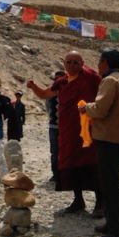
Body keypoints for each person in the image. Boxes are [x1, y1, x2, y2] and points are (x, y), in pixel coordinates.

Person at [27, 51, 103, 216]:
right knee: (71, 163)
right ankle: (78, 199)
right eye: (69, 62)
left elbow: (103, 95)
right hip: (68, 130)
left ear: (82, 63)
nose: (72, 65)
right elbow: (45, 94)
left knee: (91, 163)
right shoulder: (62, 82)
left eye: (76, 62)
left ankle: (100, 202)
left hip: (86, 130)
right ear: (64, 64)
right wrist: (33, 87)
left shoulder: (92, 77)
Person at [80, 48, 119, 237]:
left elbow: (101, 109)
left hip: (109, 139)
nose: (98, 65)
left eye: (100, 61)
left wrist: (85, 107)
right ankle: (112, 223)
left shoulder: (110, 81)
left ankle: (118, 229)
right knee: (111, 183)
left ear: (105, 62)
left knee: (111, 185)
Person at [46, 70, 66, 182]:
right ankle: (56, 174)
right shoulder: (51, 93)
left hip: (62, 127)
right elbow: (48, 107)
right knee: (55, 152)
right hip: (54, 126)